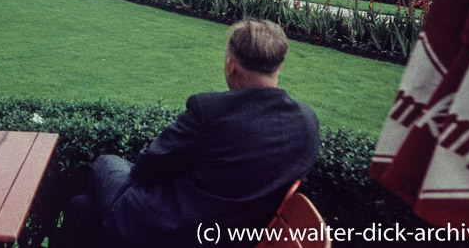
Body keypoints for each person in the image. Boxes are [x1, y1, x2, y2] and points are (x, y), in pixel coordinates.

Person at [58, 19, 320, 248]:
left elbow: (146, 169)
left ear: (231, 66)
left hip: (164, 232)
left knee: (106, 163)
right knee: (81, 208)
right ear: (279, 65)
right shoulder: (307, 123)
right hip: (229, 237)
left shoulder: (211, 111)